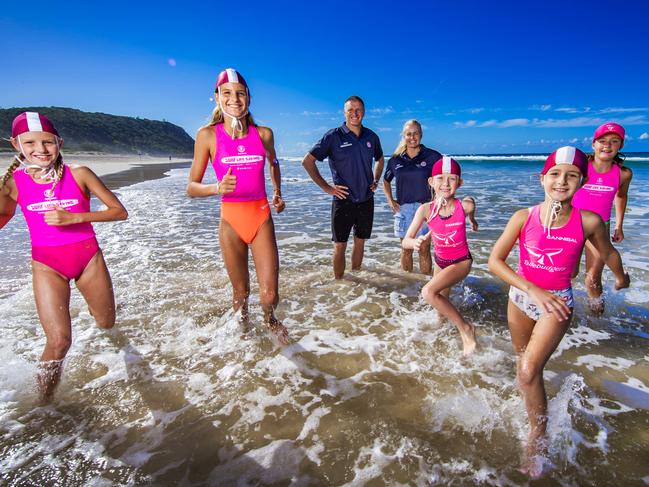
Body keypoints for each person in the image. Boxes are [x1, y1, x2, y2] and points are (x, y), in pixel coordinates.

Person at [487, 146, 630, 475]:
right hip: (522, 297)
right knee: (524, 365)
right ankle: (532, 405)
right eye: (555, 174)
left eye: (571, 176)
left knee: (526, 371)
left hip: (557, 301)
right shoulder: (524, 217)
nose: (562, 181)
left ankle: (538, 435)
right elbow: (495, 261)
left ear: (581, 182)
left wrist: (621, 277)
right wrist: (531, 289)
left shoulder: (589, 220)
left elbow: (607, 253)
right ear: (542, 179)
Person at [0, 112, 128, 401]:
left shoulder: (79, 173)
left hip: (88, 260)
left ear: (59, 142)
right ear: (15, 144)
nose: (41, 149)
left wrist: (75, 218)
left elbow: (119, 212)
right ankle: (44, 405)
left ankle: (106, 337)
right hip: (47, 266)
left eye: (48, 142)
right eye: (30, 142)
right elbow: (3, 215)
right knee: (58, 341)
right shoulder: (12, 183)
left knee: (106, 322)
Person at [187, 68, 288, 345]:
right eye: (227, 93)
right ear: (217, 97)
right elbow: (191, 187)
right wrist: (215, 188)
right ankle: (242, 341)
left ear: (249, 98)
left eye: (240, 93)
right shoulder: (207, 136)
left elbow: (274, 162)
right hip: (230, 221)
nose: (235, 99)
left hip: (260, 215)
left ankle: (269, 320)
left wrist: (277, 191)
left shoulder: (264, 134)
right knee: (240, 294)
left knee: (270, 296)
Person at [402, 156, 479, 356]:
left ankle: (466, 328)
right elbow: (406, 240)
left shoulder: (463, 206)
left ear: (459, 183)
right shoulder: (425, 210)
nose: (445, 183)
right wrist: (415, 242)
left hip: (461, 261)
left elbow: (471, 203)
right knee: (440, 306)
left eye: (452, 179)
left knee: (428, 292)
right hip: (441, 262)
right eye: (440, 178)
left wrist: (472, 218)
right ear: (431, 182)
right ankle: (442, 332)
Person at [301, 96, 384, 279]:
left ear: (364, 112)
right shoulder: (333, 136)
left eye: (358, 110)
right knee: (340, 245)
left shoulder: (371, 136)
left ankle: (357, 283)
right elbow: (307, 162)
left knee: (360, 242)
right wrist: (327, 188)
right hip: (343, 200)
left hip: (366, 199)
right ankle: (339, 284)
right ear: (344, 112)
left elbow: (380, 158)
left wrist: (376, 179)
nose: (354, 114)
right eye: (350, 110)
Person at [571, 122, 633, 313]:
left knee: (592, 278)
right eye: (603, 141)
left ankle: (597, 321)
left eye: (614, 141)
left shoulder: (623, 174)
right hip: (571, 223)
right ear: (593, 144)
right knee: (570, 273)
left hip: (599, 226)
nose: (607, 145)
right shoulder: (581, 167)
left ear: (620, 146)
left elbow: (621, 196)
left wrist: (619, 225)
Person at [383, 119, 441, 273]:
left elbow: (447, 176)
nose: (412, 137)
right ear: (404, 136)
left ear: (421, 135)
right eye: (409, 134)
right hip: (404, 210)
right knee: (406, 250)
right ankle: (408, 288)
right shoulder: (395, 159)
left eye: (416, 133)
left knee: (423, 249)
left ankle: (426, 287)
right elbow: (386, 181)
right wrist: (390, 201)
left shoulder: (433, 156)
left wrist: (439, 200)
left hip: (425, 210)